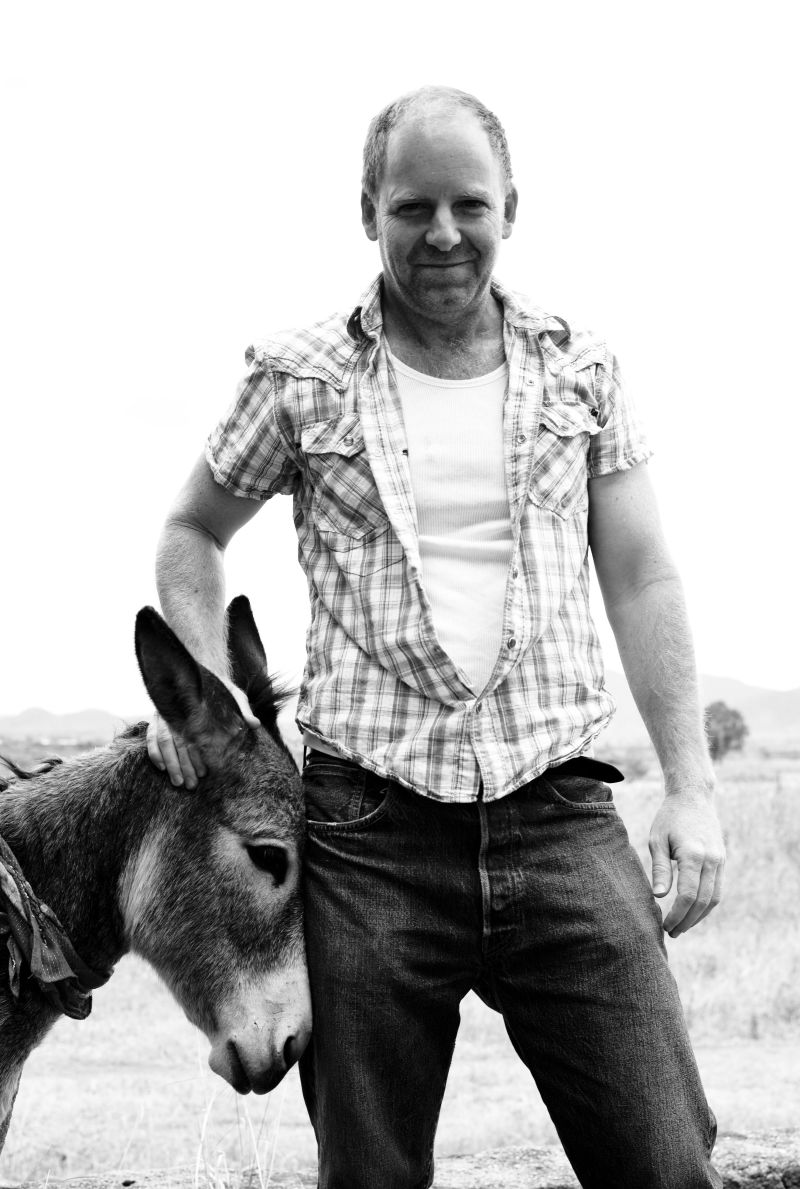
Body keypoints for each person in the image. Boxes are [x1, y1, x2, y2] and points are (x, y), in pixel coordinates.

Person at [147, 85, 725, 1189]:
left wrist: (691, 785)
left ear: (512, 208)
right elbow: (190, 533)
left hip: (559, 814)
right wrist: (210, 705)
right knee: (369, 1175)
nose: (444, 233)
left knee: (663, 1162)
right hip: (367, 833)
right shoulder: (301, 376)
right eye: (412, 206)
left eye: (470, 205)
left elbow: (642, 575)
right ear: (368, 209)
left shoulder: (581, 367)